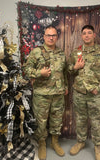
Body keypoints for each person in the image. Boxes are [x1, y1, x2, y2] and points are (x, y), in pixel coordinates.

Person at [67, 24, 100, 160]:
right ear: (81, 36)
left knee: (97, 121)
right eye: (84, 33)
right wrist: (75, 67)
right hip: (79, 93)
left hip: (96, 94)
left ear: (94, 35)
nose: (87, 35)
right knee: (80, 120)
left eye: (89, 33)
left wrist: (99, 87)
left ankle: (98, 146)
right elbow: (68, 69)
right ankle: (80, 142)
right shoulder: (76, 52)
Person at [24, 25, 68, 160]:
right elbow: (26, 70)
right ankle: (42, 143)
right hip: (42, 94)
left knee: (56, 120)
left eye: (53, 35)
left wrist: (65, 85)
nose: (51, 38)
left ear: (57, 37)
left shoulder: (61, 53)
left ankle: (55, 141)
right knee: (41, 122)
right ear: (44, 37)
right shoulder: (36, 52)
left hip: (58, 94)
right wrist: (39, 73)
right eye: (48, 35)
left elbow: (64, 72)